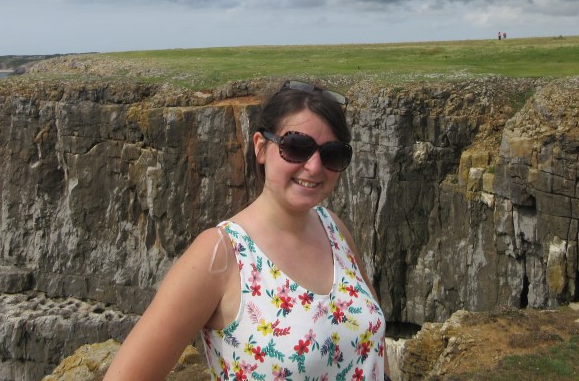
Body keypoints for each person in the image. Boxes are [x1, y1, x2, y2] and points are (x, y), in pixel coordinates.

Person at [104, 80, 391, 381]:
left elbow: (372, 344)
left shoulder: (334, 229)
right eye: (296, 147)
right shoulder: (219, 254)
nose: (314, 166)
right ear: (261, 147)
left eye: (332, 154)